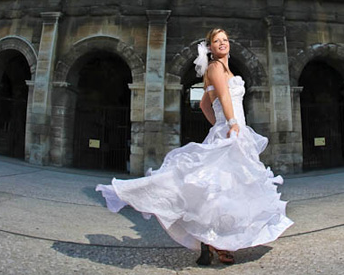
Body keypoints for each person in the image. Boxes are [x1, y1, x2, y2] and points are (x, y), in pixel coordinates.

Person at [96, 28, 293, 266]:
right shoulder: (216, 68)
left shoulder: (224, 68)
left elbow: (203, 104)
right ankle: (214, 243)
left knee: (224, 188)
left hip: (231, 128)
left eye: (225, 40)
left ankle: (212, 243)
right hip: (234, 130)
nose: (222, 43)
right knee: (220, 186)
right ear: (210, 47)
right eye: (216, 41)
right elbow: (224, 97)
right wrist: (230, 124)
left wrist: (219, 123)